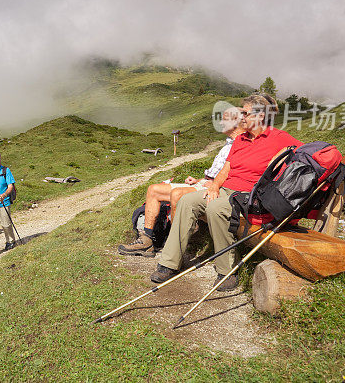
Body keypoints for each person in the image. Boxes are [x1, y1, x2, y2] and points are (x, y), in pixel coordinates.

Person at [150, 94, 301, 291]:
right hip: (227, 189)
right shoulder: (241, 140)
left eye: (245, 113)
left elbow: (308, 155)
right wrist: (214, 186)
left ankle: (227, 269)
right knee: (187, 201)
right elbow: (226, 170)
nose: (241, 117)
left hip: (251, 196)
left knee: (216, 208)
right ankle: (169, 263)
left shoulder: (279, 139)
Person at [118, 105, 246, 257]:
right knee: (154, 190)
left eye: (224, 119)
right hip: (205, 183)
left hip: (217, 189)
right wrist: (198, 180)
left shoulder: (244, 144)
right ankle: (146, 242)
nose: (221, 123)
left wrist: (216, 185)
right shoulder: (228, 143)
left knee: (177, 194)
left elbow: (240, 175)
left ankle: (175, 246)